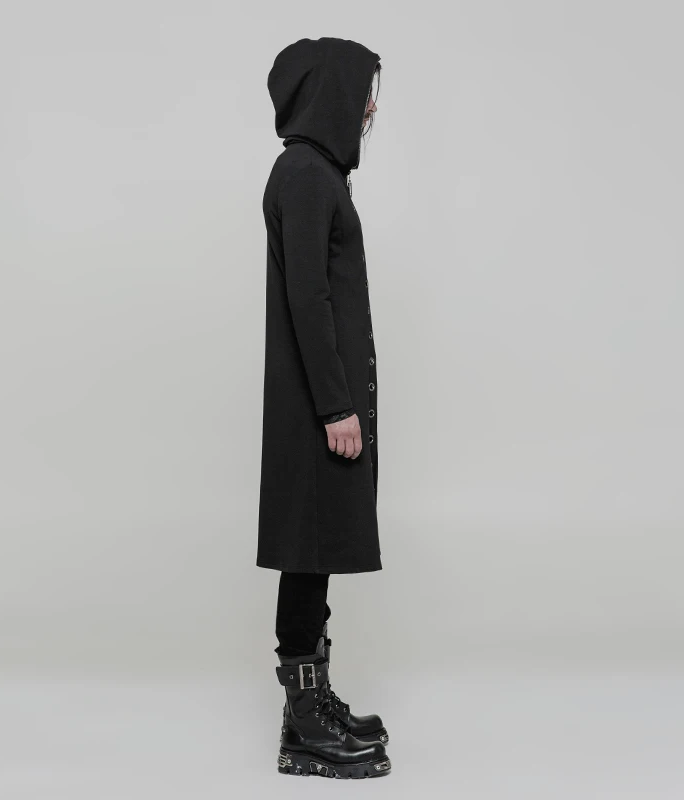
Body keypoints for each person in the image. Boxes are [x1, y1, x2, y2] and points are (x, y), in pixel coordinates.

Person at [257, 37, 390, 779]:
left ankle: (312, 705)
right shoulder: (306, 174)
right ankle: (306, 727)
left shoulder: (315, 173)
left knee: (316, 554)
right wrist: (338, 407)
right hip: (317, 410)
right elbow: (308, 298)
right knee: (307, 555)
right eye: (365, 90)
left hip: (320, 404)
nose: (370, 108)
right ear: (334, 91)